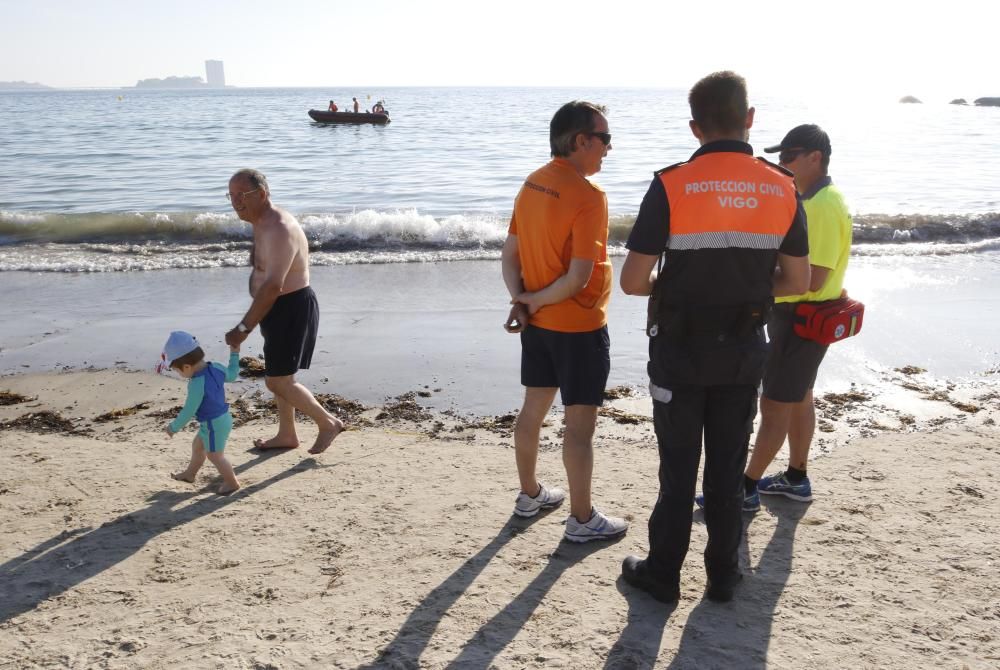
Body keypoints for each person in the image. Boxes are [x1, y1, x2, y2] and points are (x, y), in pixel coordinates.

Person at [618, 71, 810, 602]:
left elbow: (633, 281)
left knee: (677, 470)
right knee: (726, 469)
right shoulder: (781, 186)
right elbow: (797, 281)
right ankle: (723, 575)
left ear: (694, 127)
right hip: (745, 350)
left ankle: (663, 574)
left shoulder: (672, 184)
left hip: (680, 350)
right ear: (750, 119)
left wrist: (676, 282)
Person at [501, 100, 628, 544]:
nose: (609, 150)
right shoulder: (588, 196)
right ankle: (581, 518)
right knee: (579, 426)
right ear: (580, 141)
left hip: (538, 325)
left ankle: (530, 494)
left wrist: (521, 301)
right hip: (578, 329)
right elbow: (577, 279)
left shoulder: (532, 183)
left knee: (533, 409)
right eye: (605, 140)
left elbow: (510, 255)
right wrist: (530, 299)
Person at [740, 124, 853, 506]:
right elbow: (821, 273)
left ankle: (746, 488)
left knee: (774, 404)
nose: (782, 164)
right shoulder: (822, 198)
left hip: (801, 317)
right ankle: (796, 477)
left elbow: (810, 277)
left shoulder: (820, 205)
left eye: (789, 156)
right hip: (810, 315)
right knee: (800, 396)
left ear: (815, 158)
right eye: (779, 156)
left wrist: (747, 286)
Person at [224, 168, 344, 454]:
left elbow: (273, 286)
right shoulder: (261, 221)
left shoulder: (278, 227)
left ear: (262, 194)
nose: (235, 201)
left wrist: (243, 329)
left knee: (277, 381)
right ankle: (287, 434)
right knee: (282, 377)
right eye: (231, 195)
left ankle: (327, 423)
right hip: (277, 310)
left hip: (291, 307)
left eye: (242, 195)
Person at [163, 331, 242, 495]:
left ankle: (232, 483)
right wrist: (235, 354)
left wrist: (174, 427)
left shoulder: (196, 383)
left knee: (215, 455)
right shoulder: (217, 367)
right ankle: (190, 474)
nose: (180, 375)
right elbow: (233, 374)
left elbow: (189, 410)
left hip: (214, 424)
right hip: (221, 419)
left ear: (186, 366)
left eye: (178, 371)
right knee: (198, 446)